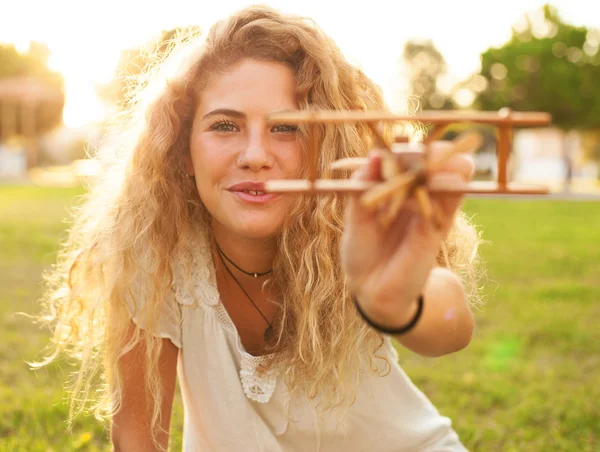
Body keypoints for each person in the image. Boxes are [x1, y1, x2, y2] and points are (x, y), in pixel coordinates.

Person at [36, 5, 484, 451]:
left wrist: (395, 301)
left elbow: (451, 328)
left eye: (286, 127)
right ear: (182, 151)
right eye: (225, 125)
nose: (255, 154)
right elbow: (137, 438)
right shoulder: (152, 251)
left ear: (323, 147)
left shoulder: (356, 228)